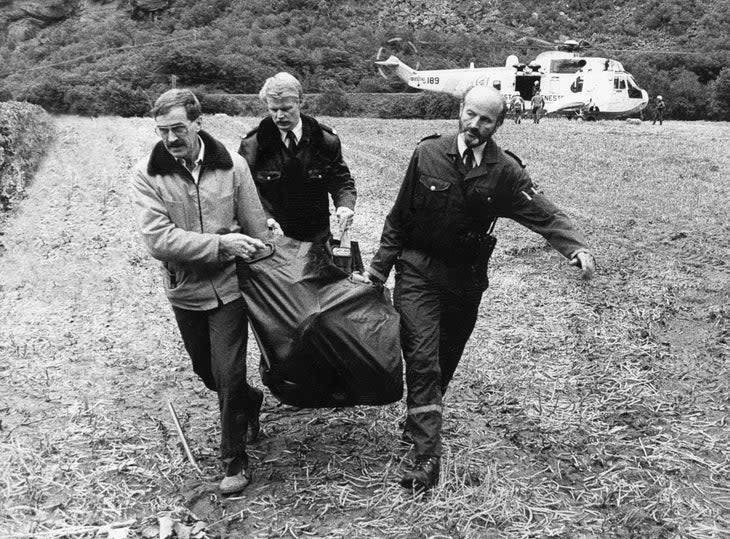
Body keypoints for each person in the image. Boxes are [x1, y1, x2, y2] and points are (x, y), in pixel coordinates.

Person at [354, 86, 595, 492]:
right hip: (417, 272)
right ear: (460, 112)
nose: (475, 124)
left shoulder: (505, 171)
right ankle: (425, 458)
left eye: (486, 119)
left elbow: (542, 211)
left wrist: (576, 247)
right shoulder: (428, 153)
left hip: (465, 279)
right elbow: (399, 218)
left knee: (445, 360)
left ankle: (419, 421)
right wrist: (378, 272)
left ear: (499, 124)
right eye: (470, 114)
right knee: (423, 360)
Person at [131, 89, 269, 495]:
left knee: (228, 374)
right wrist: (221, 244)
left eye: (178, 129)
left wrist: (264, 252)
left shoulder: (234, 166)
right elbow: (158, 241)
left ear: (197, 122)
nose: (171, 138)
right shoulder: (147, 173)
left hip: (230, 287)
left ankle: (234, 459)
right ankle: (251, 401)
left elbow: (255, 226)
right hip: (185, 289)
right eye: (163, 131)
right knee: (207, 374)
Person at [238, 72, 357, 244]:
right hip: (271, 239)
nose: (279, 116)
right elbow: (245, 192)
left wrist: (345, 206)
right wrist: (266, 219)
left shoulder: (324, 140)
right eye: (273, 109)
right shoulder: (252, 145)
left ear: (300, 102)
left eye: (286, 109)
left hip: (316, 239)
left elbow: (341, 180)